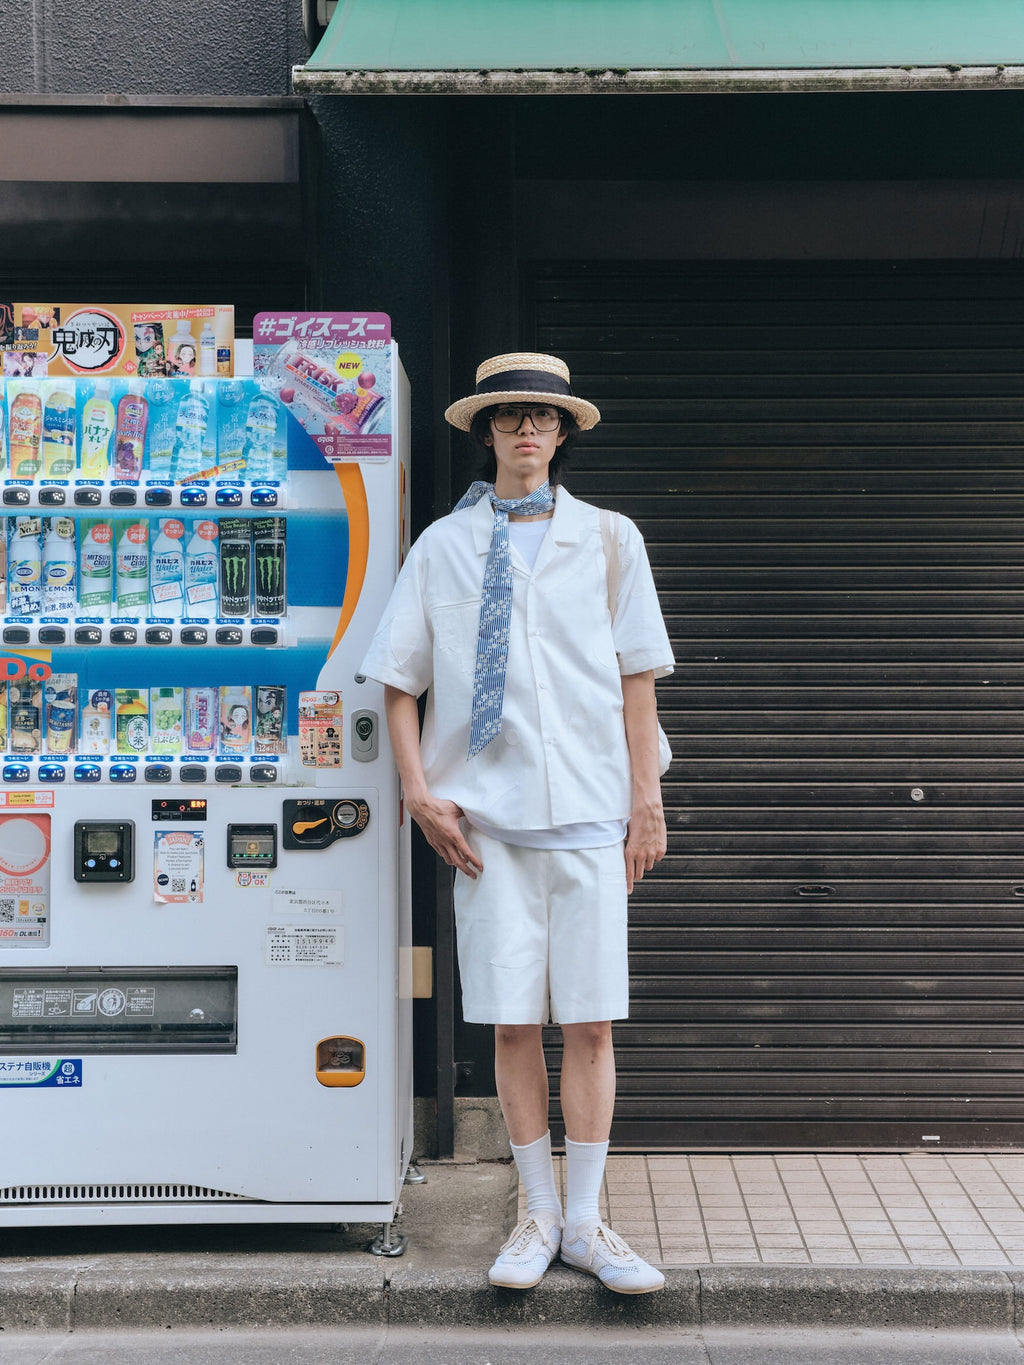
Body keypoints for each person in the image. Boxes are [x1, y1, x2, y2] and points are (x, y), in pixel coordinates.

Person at [360, 352, 674, 1295]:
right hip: (486, 829)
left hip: (588, 817)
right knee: (507, 1028)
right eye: (509, 417)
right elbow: (399, 681)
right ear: (485, 431)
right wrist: (417, 791)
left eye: (542, 415)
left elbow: (638, 680)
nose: (526, 430)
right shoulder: (440, 549)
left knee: (588, 1024)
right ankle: (534, 1212)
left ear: (563, 431)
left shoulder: (612, 538)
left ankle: (586, 1220)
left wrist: (647, 800)